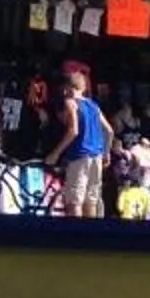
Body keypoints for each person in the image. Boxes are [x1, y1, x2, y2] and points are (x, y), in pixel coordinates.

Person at [47, 65, 110, 217]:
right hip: (96, 157)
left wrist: (55, 154)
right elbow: (109, 130)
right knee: (91, 200)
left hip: (80, 155)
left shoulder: (71, 102)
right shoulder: (94, 105)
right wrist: (106, 153)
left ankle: (73, 237)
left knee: (74, 200)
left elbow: (73, 131)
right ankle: (90, 237)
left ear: (68, 87)